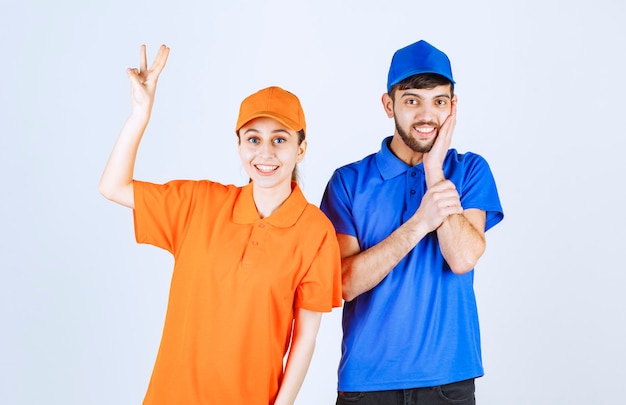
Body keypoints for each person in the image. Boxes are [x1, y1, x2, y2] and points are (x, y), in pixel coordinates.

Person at [99, 44, 342, 405]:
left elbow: (305, 337)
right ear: (239, 144)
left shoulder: (316, 233)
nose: (265, 154)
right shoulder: (199, 203)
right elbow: (113, 186)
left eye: (280, 139)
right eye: (253, 139)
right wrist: (140, 114)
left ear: (301, 149)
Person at [320, 40, 504, 404]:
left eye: (439, 101)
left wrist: (434, 171)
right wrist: (420, 222)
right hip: (367, 383)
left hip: (448, 381)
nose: (426, 115)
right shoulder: (348, 182)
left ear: (453, 107)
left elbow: (463, 257)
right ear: (389, 105)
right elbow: (343, 284)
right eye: (412, 100)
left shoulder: (468, 171)